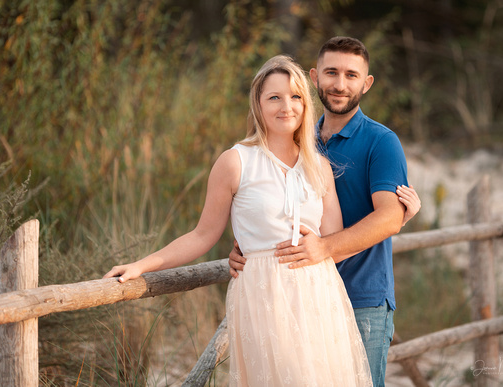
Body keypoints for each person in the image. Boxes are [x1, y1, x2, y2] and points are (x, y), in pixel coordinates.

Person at [104, 55, 373, 386]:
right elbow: (202, 236)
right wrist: (142, 266)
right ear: (258, 104)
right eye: (274, 97)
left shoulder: (319, 168)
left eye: (295, 96)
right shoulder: (236, 162)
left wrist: (398, 216)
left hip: (319, 294)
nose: (286, 106)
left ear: (305, 103)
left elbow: (336, 243)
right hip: (263, 296)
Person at [229, 37, 421, 387]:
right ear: (315, 78)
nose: (340, 84)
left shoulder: (381, 141)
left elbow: (389, 216)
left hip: (361, 296)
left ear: (367, 83)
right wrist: (248, 246)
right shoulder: (298, 138)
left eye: (351, 75)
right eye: (331, 72)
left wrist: (324, 248)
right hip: (294, 297)